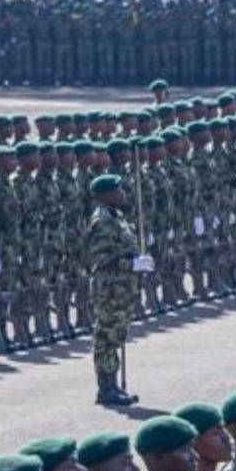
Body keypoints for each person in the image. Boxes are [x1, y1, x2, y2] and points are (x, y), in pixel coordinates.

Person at [84, 174, 147, 407]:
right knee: (106, 337)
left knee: (116, 335)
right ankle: (106, 388)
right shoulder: (102, 221)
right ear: (106, 194)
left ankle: (113, 385)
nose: (122, 193)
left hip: (121, 288)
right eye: (118, 190)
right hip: (110, 288)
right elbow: (102, 259)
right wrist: (131, 264)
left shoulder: (115, 216)